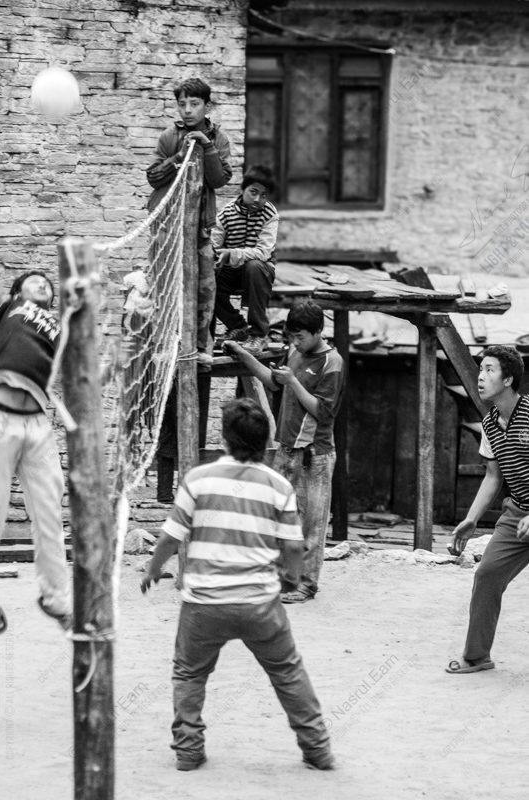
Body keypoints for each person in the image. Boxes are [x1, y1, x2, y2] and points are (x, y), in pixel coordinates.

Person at [141, 398, 334, 772]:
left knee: (189, 673)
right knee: (287, 671)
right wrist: (290, 578)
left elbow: (170, 537)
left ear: (225, 438)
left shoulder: (198, 479)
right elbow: (294, 545)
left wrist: (152, 569)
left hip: (203, 604)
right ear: (267, 441)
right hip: (260, 602)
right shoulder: (278, 485)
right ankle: (317, 748)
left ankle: (188, 750)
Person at [0, 222, 71, 635]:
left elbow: (80, 370)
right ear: (18, 292)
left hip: (38, 426)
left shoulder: (59, 328)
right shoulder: (3, 309)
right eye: (34, 281)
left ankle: (55, 597)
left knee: (49, 514)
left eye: (48, 282)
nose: (43, 283)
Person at [223, 301, 344, 603]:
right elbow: (273, 384)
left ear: (318, 332)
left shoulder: (333, 362)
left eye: (301, 336)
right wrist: (244, 355)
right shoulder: (295, 352)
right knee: (280, 519)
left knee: (312, 524)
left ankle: (307, 584)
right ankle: (282, 578)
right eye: (292, 336)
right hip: (286, 448)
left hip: (315, 454)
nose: (295, 342)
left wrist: (292, 380)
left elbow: (324, 412)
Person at [447, 345, 529, 674]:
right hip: (517, 514)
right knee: (486, 575)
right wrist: (471, 518)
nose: (481, 377)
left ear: (509, 379)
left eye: (490, 370)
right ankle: (477, 656)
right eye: (481, 370)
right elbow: (493, 477)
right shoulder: (491, 424)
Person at [146, 75, 232, 368]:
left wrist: (206, 147)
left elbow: (219, 179)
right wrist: (179, 156)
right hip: (168, 225)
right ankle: (166, 341)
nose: (187, 110)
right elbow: (153, 176)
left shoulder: (218, 139)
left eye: (194, 104)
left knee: (205, 287)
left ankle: (198, 346)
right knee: (166, 285)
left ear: (207, 106)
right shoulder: (169, 137)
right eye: (182, 104)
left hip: (200, 228)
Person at [211, 164, 279, 354]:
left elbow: (264, 252)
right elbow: (215, 247)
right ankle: (237, 326)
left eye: (264, 195)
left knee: (255, 266)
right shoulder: (226, 214)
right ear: (243, 189)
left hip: (260, 272)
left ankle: (258, 334)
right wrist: (219, 257)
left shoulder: (270, 215)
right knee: (207, 277)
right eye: (253, 192)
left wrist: (231, 253)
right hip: (231, 272)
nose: (258, 199)